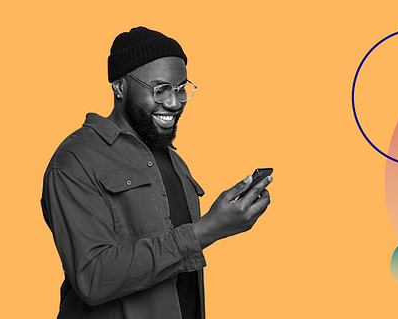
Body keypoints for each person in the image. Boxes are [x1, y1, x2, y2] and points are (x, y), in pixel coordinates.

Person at [41, 26, 273, 319]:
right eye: (160, 89)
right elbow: (93, 278)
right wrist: (207, 229)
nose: (174, 103)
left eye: (181, 89)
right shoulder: (75, 160)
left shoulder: (171, 159)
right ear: (120, 86)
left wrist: (225, 220)